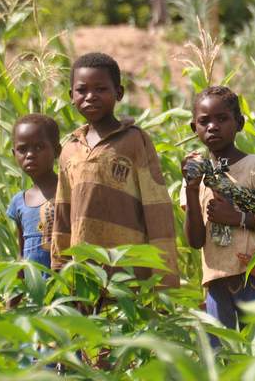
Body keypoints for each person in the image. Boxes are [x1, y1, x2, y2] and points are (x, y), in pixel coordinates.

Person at [51, 52, 180, 289]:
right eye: (82, 90)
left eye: (100, 89)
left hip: (130, 275)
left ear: (118, 93)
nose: (90, 96)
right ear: (71, 96)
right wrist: (60, 270)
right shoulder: (69, 149)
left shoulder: (134, 141)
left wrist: (165, 281)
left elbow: (156, 208)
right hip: (83, 275)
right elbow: (62, 213)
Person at [181, 85, 255, 349]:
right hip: (218, 283)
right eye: (204, 121)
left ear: (239, 123)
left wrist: (238, 218)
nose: (213, 127)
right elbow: (195, 240)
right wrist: (191, 187)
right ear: (193, 128)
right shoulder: (193, 178)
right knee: (222, 360)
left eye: (222, 119)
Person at [7, 113, 60, 273]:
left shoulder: (68, 193)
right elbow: (22, 255)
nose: (30, 155)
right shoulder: (19, 202)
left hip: (66, 290)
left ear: (57, 150)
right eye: (22, 149)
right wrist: (15, 294)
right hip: (35, 291)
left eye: (39, 147)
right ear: (14, 154)